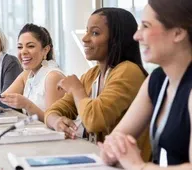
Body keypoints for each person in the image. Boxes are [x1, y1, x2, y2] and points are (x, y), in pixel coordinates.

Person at [44, 7, 151, 161]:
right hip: (98, 160)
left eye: (95, 33)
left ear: (116, 38)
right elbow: (53, 110)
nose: (85, 38)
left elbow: (95, 120)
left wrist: (76, 88)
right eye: (87, 31)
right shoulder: (93, 74)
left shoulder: (128, 71)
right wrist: (57, 121)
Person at [98, 0, 192, 169]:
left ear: (177, 33)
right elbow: (116, 137)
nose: (137, 36)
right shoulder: (157, 80)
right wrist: (112, 148)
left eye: (146, 26)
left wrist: (139, 166)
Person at [0, 23, 65, 122]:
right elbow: (2, 99)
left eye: (30, 46)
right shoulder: (28, 74)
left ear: (45, 50)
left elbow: (54, 121)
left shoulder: (53, 76)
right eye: (20, 47)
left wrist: (27, 105)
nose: (23, 52)